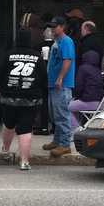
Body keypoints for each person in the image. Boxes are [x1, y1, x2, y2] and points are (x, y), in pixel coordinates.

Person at [0, 40, 47, 171]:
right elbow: (43, 78)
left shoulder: (8, 55)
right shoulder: (37, 57)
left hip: (9, 97)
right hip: (30, 98)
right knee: (26, 129)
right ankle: (24, 161)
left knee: (8, 124)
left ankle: (5, 151)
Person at [43, 16, 76, 157]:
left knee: (62, 114)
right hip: (53, 84)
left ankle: (65, 144)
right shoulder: (57, 42)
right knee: (55, 114)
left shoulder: (66, 41)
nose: (52, 29)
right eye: (51, 26)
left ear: (62, 27)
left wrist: (60, 78)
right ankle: (57, 141)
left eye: (55, 26)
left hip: (61, 85)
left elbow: (67, 60)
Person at [66, 49, 104, 128]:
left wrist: (75, 96)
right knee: (74, 107)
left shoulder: (83, 68)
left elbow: (79, 86)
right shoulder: (98, 70)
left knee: (65, 108)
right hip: (100, 103)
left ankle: (76, 129)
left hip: (88, 102)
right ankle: (79, 126)